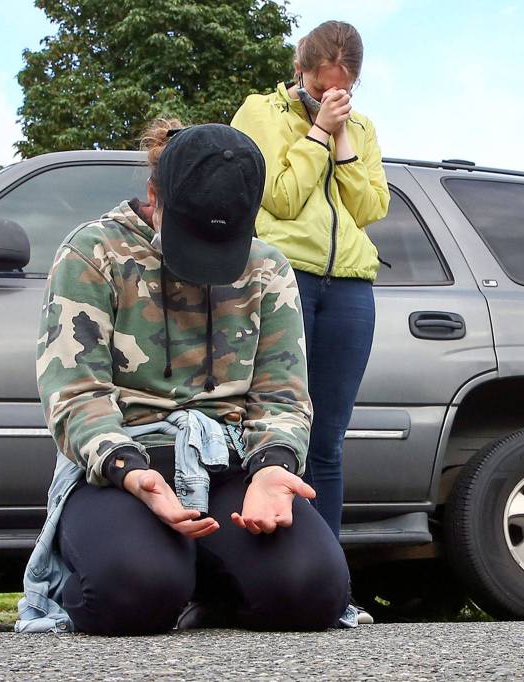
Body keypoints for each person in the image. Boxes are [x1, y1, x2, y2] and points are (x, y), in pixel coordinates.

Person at [16, 120, 350, 635]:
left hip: (230, 460)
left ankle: (210, 585)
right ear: (154, 195)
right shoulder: (94, 252)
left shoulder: (268, 268)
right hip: (127, 468)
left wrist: (273, 467)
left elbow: (282, 394)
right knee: (132, 595)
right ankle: (163, 573)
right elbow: (74, 391)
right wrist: (130, 469)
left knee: (313, 592)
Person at [231, 20, 389, 624]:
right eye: (321, 86)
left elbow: (369, 207)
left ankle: (328, 587)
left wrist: (345, 139)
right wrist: (318, 132)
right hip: (283, 277)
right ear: (302, 68)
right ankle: (254, 580)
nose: (331, 96)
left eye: (343, 89)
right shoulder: (261, 112)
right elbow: (278, 198)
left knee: (327, 441)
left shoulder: (364, 129)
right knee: (269, 431)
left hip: (350, 287)